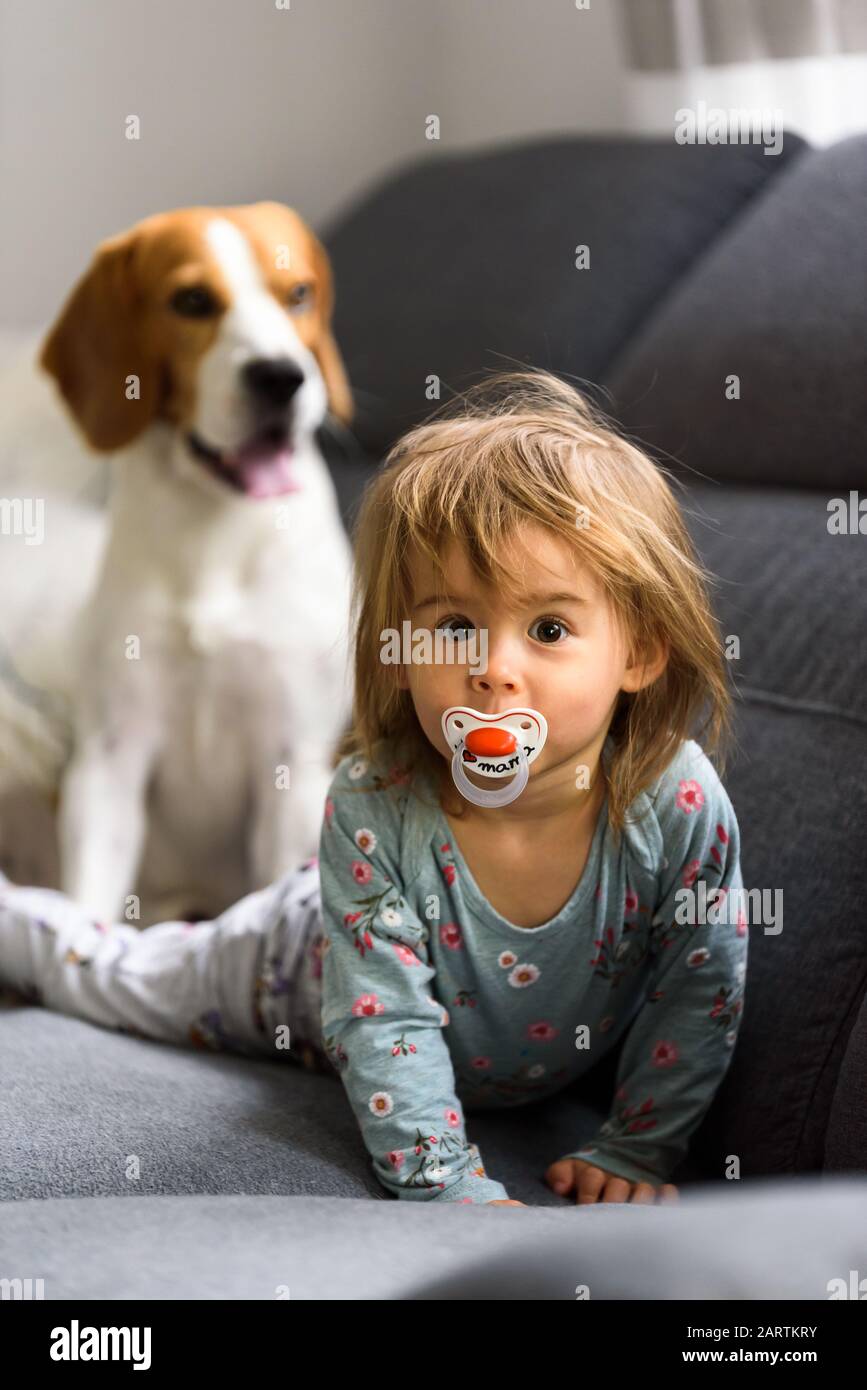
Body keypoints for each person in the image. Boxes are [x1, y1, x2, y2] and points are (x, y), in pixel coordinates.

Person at [0, 369, 747, 1207]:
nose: (493, 670)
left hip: (511, 1061)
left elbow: (699, 983)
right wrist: (441, 1183)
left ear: (639, 654)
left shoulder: (675, 805)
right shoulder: (375, 802)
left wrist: (638, 1148)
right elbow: (382, 1019)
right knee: (121, 974)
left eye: (548, 629)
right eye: (454, 626)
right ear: (399, 651)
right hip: (290, 965)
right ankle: (17, 924)